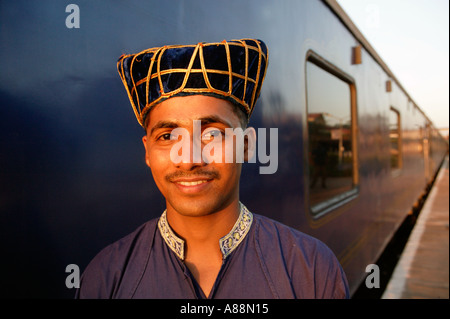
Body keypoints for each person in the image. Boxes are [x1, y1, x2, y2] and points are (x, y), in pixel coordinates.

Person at [75, 39, 349, 299]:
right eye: (168, 136)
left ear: (246, 145)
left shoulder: (312, 270)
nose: (189, 159)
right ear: (147, 151)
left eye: (212, 134)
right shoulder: (106, 278)